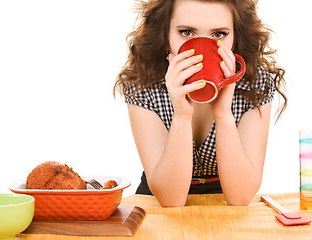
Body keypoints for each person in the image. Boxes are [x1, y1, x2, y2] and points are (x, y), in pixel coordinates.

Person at [114, 0, 287, 207]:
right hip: (158, 202)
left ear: (235, 37)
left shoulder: (255, 81)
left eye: (219, 34)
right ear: (165, 34)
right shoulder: (142, 84)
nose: (202, 48)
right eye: (186, 32)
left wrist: (224, 115)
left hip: (225, 202)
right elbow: (171, 201)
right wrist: (181, 117)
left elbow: (240, 198)